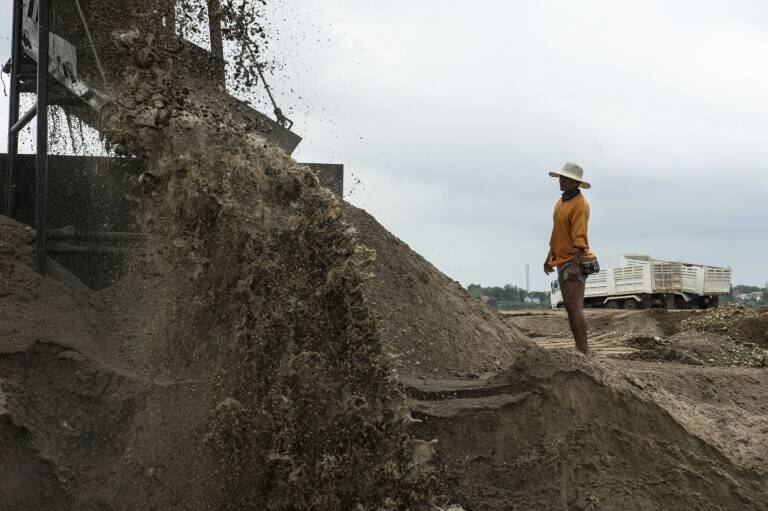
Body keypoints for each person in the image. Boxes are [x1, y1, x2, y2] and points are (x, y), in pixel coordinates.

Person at [543, 162, 596, 355]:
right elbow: (557, 233)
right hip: (563, 259)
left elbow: (580, 238)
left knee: (575, 307)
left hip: (576, 260)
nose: (561, 181)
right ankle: (580, 348)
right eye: (561, 178)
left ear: (575, 183)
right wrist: (550, 257)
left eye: (566, 179)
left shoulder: (580, 205)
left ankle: (583, 350)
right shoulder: (561, 202)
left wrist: (575, 265)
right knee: (569, 307)